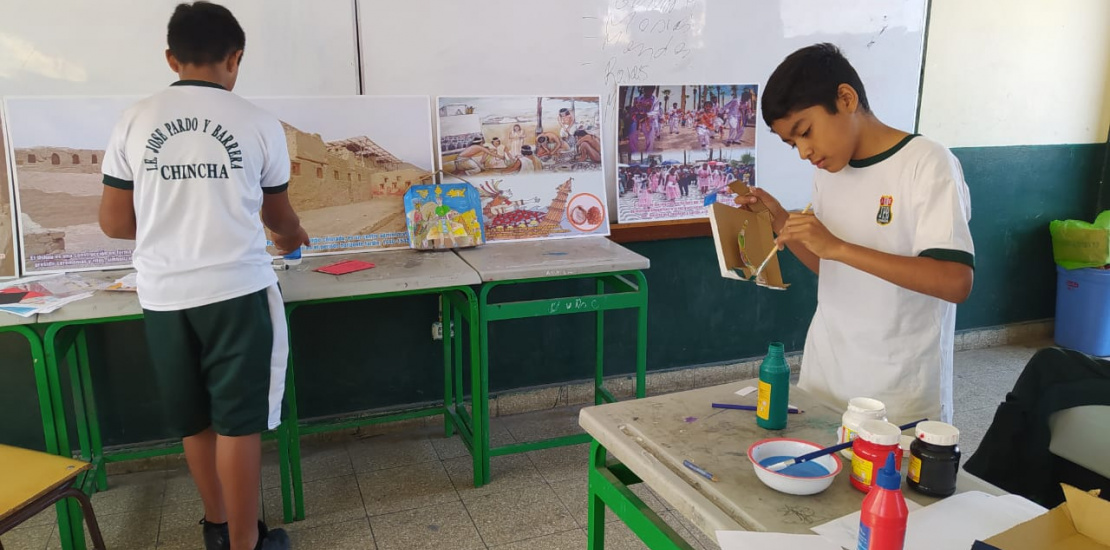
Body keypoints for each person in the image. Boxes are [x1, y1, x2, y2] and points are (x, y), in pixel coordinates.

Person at [97, 3, 306, 549]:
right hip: (237, 291)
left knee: (195, 419)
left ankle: (216, 528)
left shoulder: (134, 119)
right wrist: (291, 238)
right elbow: (278, 218)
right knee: (239, 422)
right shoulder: (259, 123)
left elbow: (114, 223)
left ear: (171, 58)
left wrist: (169, 221)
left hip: (164, 295)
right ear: (236, 59)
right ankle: (246, 543)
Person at [736, 43, 974, 425]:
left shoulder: (927, 163)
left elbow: (955, 280)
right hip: (825, 378)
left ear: (846, 99)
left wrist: (839, 247)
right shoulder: (828, 172)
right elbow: (834, 268)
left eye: (805, 132)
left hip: (897, 396)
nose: (803, 152)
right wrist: (780, 220)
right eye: (792, 143)